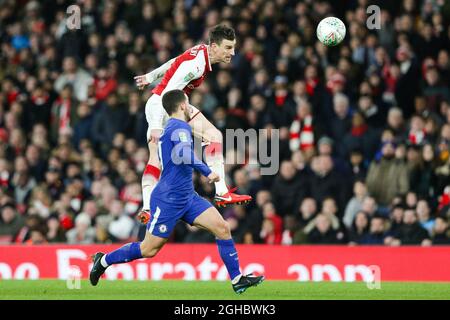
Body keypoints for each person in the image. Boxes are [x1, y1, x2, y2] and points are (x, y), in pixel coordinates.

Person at [90, 90, 264, 294]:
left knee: (222, 228)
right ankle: (102, 260)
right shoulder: (178, 126)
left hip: (188, 197)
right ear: (182, 106)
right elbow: (183, 153)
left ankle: (237, 279)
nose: (191, 108)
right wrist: (208, 172)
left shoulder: (174, 128)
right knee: (148, 249)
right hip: (167, 199)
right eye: (189, 104)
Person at [134, 25, 251, 223]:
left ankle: (148, 208)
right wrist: (155, 124)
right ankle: (148, 207)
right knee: (157, 156)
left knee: (213, 136)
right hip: (163, 107)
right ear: (214, 46)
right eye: (228, 47)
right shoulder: (196, 66)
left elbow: (174, 62)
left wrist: (150, 76)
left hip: (176, 104)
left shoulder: (201, 51)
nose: (233, 52)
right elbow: (167, 94)